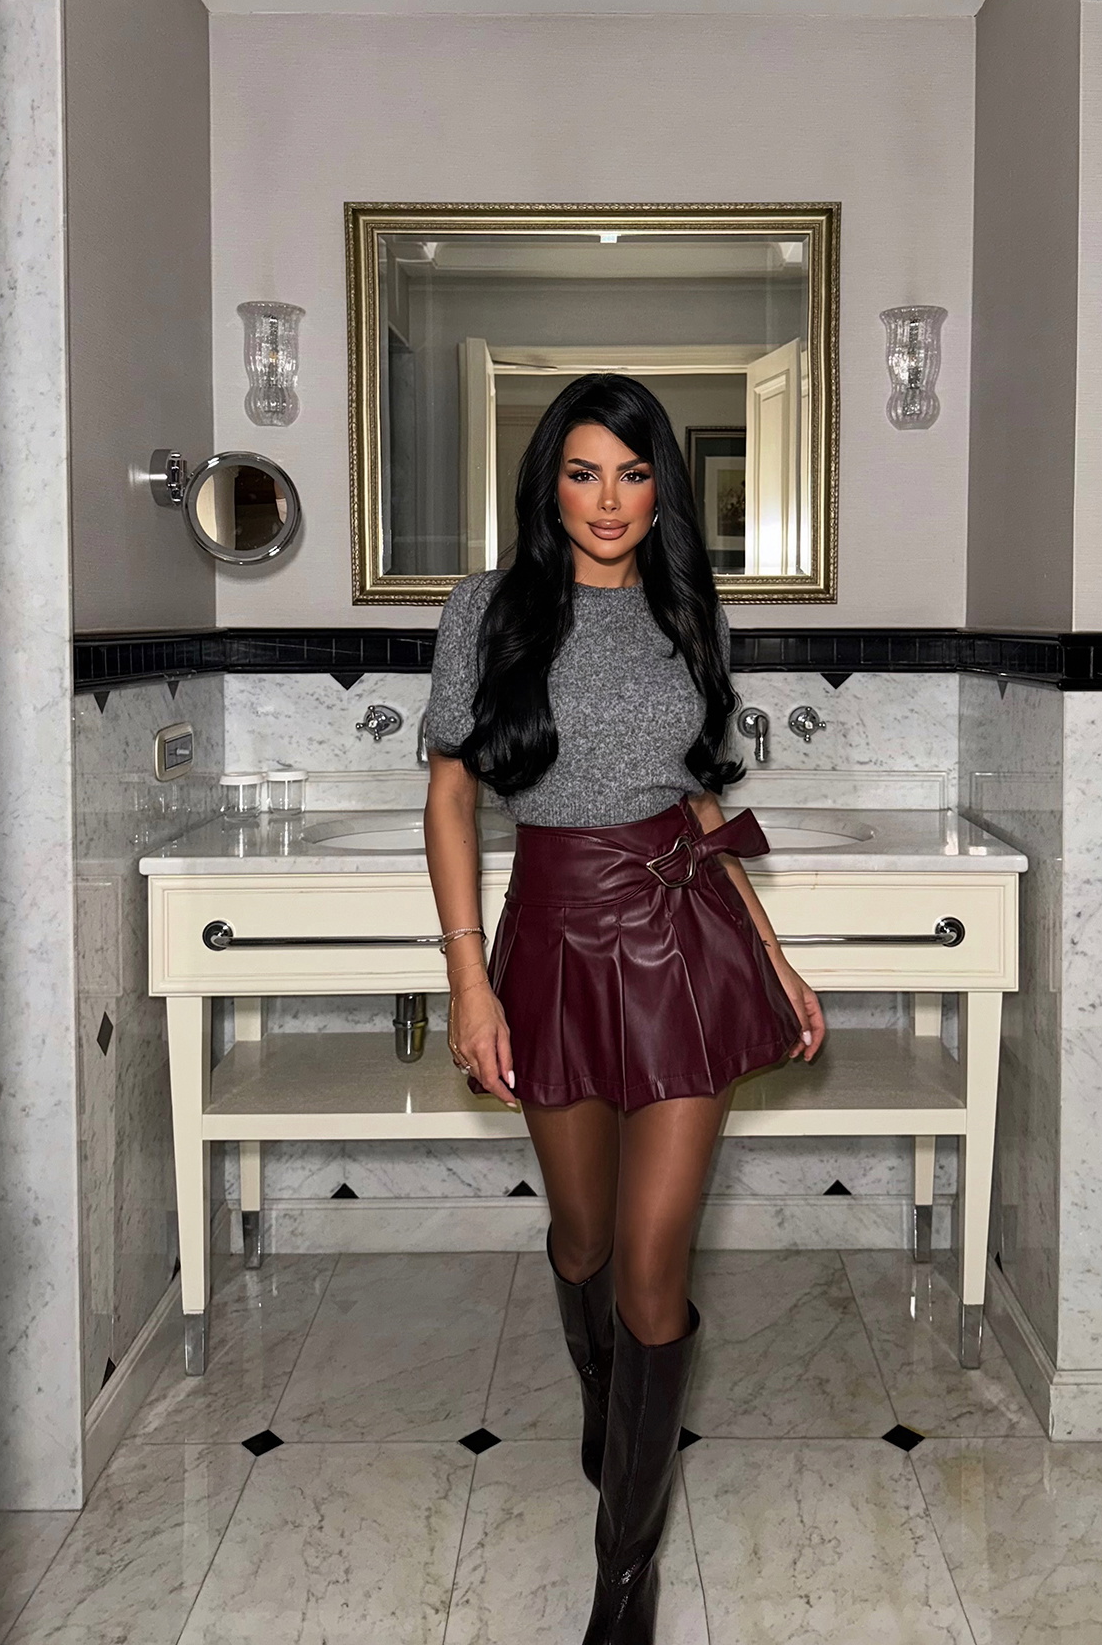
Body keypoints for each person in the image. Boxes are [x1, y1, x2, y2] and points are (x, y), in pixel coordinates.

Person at [423, 373, 825, 1644]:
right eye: (586, 472)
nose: (609, 500)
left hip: (684, 940)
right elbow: (450, 797)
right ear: (550, 482)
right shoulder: (487, 609)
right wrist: (469, 978)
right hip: (550, 935)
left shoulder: (688, 607)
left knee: (655, 1267)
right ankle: (607, 1406)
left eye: (635, 474)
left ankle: (624, 1574)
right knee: (584, 1239)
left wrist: (775, 958)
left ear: (663, 492)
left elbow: (700, 802)